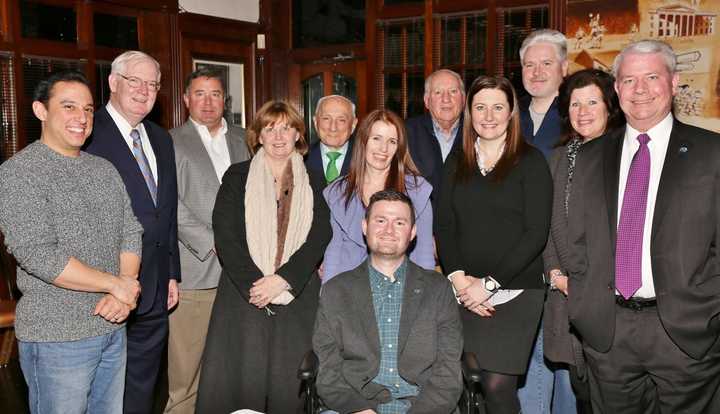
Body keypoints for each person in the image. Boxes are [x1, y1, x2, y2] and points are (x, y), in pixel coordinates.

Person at [567, 39, 720, 413]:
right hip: (609, 333)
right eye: (629, 80)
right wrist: (587, 309)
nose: (640, 90)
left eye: (651, 77)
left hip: (686, 332)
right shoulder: (589, 156)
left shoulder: (712, 153)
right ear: (616, 88)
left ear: (673, 81)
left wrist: (707, 309)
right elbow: (578, 240)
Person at [0, 70, 142, 413]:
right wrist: (118, 286)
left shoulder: (104, 169)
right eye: (69, 107)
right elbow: (40, 255)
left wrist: (123, 290)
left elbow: (131, 231)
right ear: (40, 110)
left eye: (89, 109)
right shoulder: (19, 173)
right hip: (57, 337)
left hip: (113, 323)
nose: (82, 118)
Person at [196, 100, 331, 413]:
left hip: (296, 296)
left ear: (299, 134)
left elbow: (320, 234)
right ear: (257, 136)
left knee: (290, 389)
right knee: (242, 386)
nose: (279, 136)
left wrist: (283, 279)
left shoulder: (314, 179)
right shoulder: (237, 176)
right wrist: (257, 284)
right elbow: (225, 235)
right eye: (270, 128)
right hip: (245, 298)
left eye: (287, 128)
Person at [437, 75, 552, 414]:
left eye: (498, 107)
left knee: (497, 386)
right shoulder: (456, 161)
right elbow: (444, 225)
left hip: (516, 292)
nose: (489, 116)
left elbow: (536, 232)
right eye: (480, 107)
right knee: (460, 385)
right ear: (470, 113)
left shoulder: (530, 161)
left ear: (511, 112)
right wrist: (459, 280)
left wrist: (488, 285)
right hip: (463, 292)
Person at [85, 50, 180, 414]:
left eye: (152, 84)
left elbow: (165, 213)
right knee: (99, 386)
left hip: (155, 284)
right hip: (104, 285)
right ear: (113, 83)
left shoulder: (160, 138)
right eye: (134, 81)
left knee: (142, 382)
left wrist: (172, 273)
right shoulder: (88, 134)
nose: (144, 91)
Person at [314, 189, 463, 413]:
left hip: (422, 405)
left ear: (412, 232)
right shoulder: (336, 291)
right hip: (356, 405)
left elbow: (448, 372)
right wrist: (356, 409)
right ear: (365, 226)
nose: (389, 230)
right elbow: (328, 370)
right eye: (380, 220)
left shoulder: (438, 289)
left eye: (400, 223)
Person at [164, 68, 251, 414]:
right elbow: (168, 202)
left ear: (225, 101)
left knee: (236, 364)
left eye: (215, 94)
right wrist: (215, 241)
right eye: (199, 94)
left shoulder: (247, 139)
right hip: (196, 268)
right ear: (186, 99)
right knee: (187, 372)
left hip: (244, 273)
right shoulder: (169, 141)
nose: (208, 102)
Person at [542, 68, 624, 414]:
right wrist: (557, 275)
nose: (584, 111)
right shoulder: (559, 158)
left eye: (593, 102)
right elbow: (545, 227)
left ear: (610, 107)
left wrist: (595, 284)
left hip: (614, 297)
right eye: (576, 103)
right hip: (566, 290)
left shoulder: (626, 154)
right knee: (581, 389)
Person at [516, 28, 572, 413]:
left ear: (564, 68)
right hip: (516, 257)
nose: (536, 72)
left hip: (564, 255)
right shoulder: (506, 115)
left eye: (546, 63)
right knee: (527, 359)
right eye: (529, 64)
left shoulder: (580, 114)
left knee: (565, 360)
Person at [322, 109, 434, 283]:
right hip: (350, 289)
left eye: (392, 141)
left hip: (400, 287)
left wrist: (424, 300)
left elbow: (424, 253)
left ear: (399, 148)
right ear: (363, 141)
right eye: (376, 139)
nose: (383, 148)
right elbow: (334, 252)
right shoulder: (338, 192)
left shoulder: (418, 191)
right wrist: (328, 297)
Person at [405, 69, 465, 193]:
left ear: (463, 99)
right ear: (427, 101)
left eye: (453, 91)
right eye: (438, 92)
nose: (446, 99)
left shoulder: (477, 133)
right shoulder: (406, 132)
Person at [305, 94, 357, 183]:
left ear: (353, 124)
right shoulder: (301, 158)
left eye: (341, 120)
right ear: (315, 122)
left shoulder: (366, 159)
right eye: (326, 118)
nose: (333, 127)